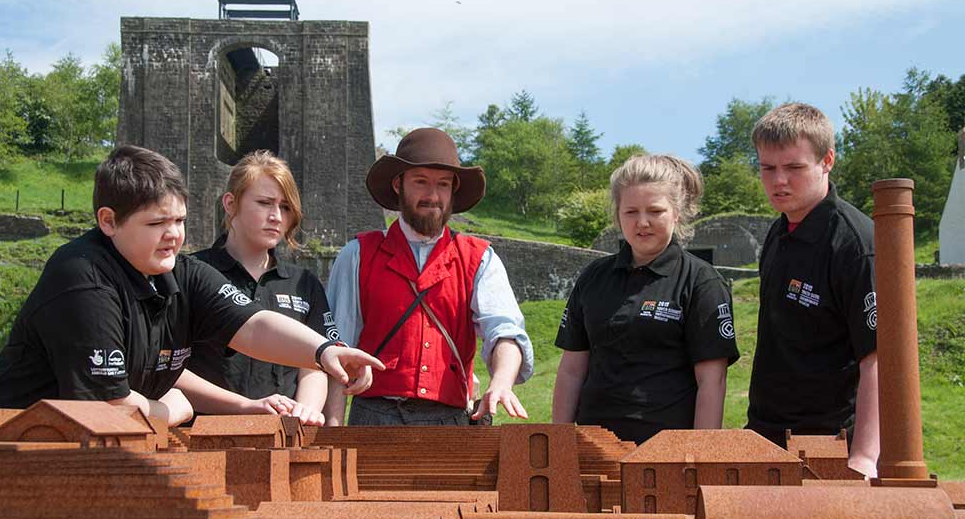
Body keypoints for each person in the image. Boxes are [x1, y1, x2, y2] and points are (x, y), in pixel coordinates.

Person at [0, 145, 382, 426]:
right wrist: (174, 407)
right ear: (108, 221)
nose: (173, 235)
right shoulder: (82, 277)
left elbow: (254, 325)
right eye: (156, 223)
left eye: (179, 221)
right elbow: (111, 407)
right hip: (3, 444)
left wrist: (326, 352)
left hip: (84, 448)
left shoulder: (180, 273)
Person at [326, 127, 534, 426]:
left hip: (449, 421)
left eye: (443, 184)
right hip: (374, 418)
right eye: (421, 182)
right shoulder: (358, 254)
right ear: (399, 184)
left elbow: (505, 330)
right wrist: (333, 429)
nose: (433, 196)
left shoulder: (479, 258)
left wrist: (500, 381)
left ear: (453, 190)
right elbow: (336, 347)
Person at [552, 154, 738, 445]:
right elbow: (571, 370)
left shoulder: (701, 282)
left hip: (666, 451)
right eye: (630, 212)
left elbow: (711, 382)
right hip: (593, 447)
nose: (642, 222)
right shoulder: (593, 277)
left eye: (655, 211)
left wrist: (702, 454)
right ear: (617, 215)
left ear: (677, 212)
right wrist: (558, 441)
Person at [745, 103, 879, 477]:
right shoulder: (776, 234)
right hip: (766, 436)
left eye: (793, 168)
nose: (778, 181)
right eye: (767, 168)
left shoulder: (856, 244)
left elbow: (878, 359)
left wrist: (865, 458)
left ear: (827, 161)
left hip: (832, 445)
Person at [187, 151, 338, 425]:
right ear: (230, 203)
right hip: (202, 432)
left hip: (283, 436)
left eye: (285, 207)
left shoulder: (304, 283)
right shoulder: (192, 273)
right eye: (265, 203)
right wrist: (245, 407)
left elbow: (314, 364)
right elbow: (171, 368)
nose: (276, 217)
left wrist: (305, 412)